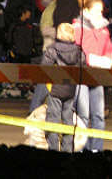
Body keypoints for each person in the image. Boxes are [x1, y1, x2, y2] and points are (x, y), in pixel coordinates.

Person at [73, 0, 112, 152]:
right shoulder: (77, 27)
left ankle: (96, 149)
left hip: (98, 77)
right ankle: (81, 148)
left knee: (98, 116)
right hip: (81, 77)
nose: (100, 14)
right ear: (86, 10)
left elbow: (109, 51)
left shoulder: (104, 30)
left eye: (101, 11)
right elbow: (77, 52)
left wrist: (107, 61)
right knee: (82, 116)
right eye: (97, 11)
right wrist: (92, 59)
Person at [42, 23, 85, 152]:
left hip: (55, 89)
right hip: (71, 89)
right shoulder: (78, 51)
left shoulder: (52, 49)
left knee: (53, 120)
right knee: (68, 120)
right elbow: (83, 66)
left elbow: (44, 67)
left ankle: (54, 149)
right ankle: (67, 150)